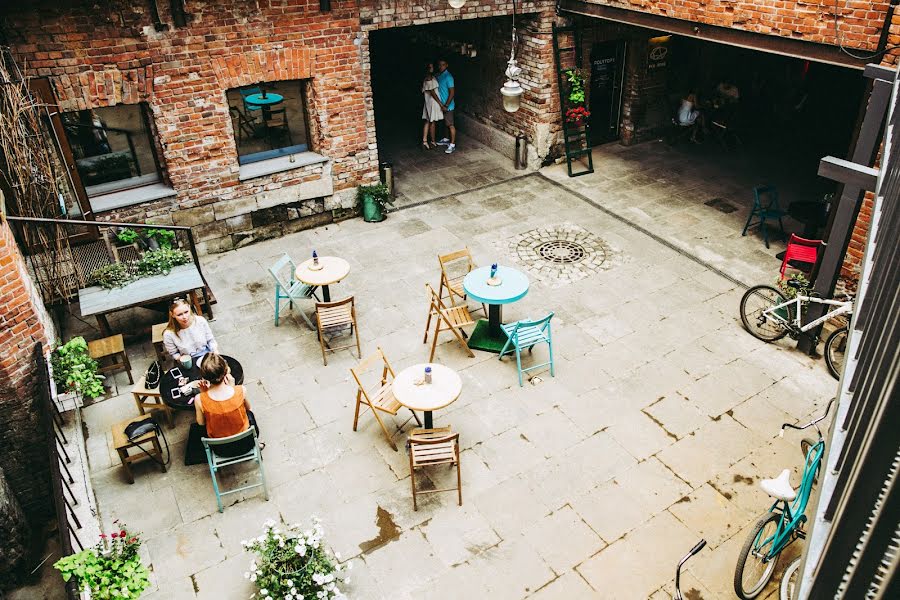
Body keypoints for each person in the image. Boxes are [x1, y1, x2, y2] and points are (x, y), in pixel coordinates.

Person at [194, 352, 261, 456]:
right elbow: (249, 409)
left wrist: (204, 394)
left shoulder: (199, 399)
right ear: (225, 372)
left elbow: (201, 423)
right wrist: (233, 388)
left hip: (220, 449)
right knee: (250, 414)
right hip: (246, 443)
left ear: (204, 376)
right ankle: (257, 443)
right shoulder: (241, 390)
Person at [162, 297, 218, 366]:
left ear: (189, 308)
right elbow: (174, 353)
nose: (184, 317)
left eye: (186, 312)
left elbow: (210, 340)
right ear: (172, 314)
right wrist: (182, 359)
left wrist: (215, 351)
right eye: (179, 315)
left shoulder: (200, 321)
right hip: (189, 360)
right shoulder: (168, 334)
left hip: (207, 355)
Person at [434, 59, 456, 154]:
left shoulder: (449, 77)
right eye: (439, 65)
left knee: (450, 125)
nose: (441, 66)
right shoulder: (439, 75)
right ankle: (446, 139)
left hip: (448, 106)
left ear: (446, 65)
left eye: (443, 65)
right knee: (445, 123)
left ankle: (452, 145)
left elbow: (452, 92)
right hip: (441, 104)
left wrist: (446, 105)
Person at [421, 62, 443, 149]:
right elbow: (433, 93)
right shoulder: (429, 78)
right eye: (430, 67)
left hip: (428, 102)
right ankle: (432, 141)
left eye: (432, 66)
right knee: (432, 121)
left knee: (427, 121)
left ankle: (425, 140)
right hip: (432, 102)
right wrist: (440, 104)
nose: (432, 68)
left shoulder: (428, 77)